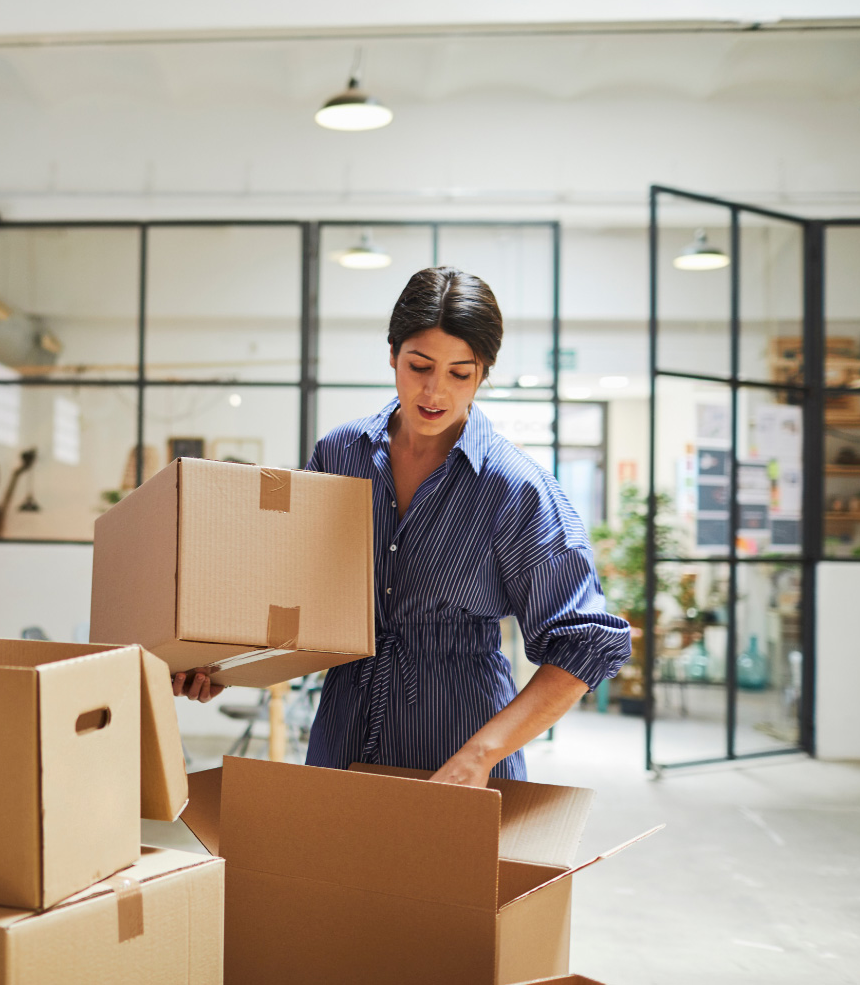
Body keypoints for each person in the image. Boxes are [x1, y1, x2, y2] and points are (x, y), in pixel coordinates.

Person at [176, 265, 629, 787]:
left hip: (459, 747)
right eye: (419, 365)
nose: (435, 391)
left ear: (482, 373)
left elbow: (584, 642)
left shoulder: (515, 488)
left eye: (460, 373)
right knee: (329, 869)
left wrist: (481, 755)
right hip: (343, 731)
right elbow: (292, 591)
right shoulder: (340, 453)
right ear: (392, 354)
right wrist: (217, 665)